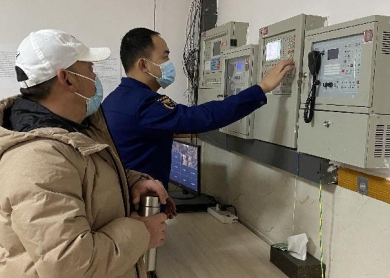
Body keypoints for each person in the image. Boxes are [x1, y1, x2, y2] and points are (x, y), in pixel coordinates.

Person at [0, 29, 169, 278]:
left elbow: (85, 181)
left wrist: (133, 182)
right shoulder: (36, 158)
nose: (95, 78)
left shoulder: (73, 134)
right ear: (67, 79)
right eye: (90, 69)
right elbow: (68, 261)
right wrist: (142, 232)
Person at [102, 27, 295, 189]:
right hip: (137, 206)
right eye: (164, 57)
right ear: (143, 64)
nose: (168, 64)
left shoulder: (114, 100)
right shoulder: (144, 103)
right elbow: (201, 117)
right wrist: (262, 88)